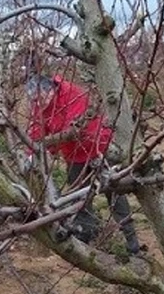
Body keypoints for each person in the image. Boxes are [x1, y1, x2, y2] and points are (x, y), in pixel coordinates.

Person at [26, 73, 142, 255]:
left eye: (42, 98)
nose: (40, 104)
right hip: (73, 155)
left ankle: (132, 241)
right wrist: (31, 151)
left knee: (114, 191)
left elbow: (76, 132)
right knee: (81, 196)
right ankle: (87, 231)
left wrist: (49, 142)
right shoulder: (38, 105)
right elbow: (35, 130)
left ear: (51, 90)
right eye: (35, 101)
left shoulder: (72, 93)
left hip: (98, 147)